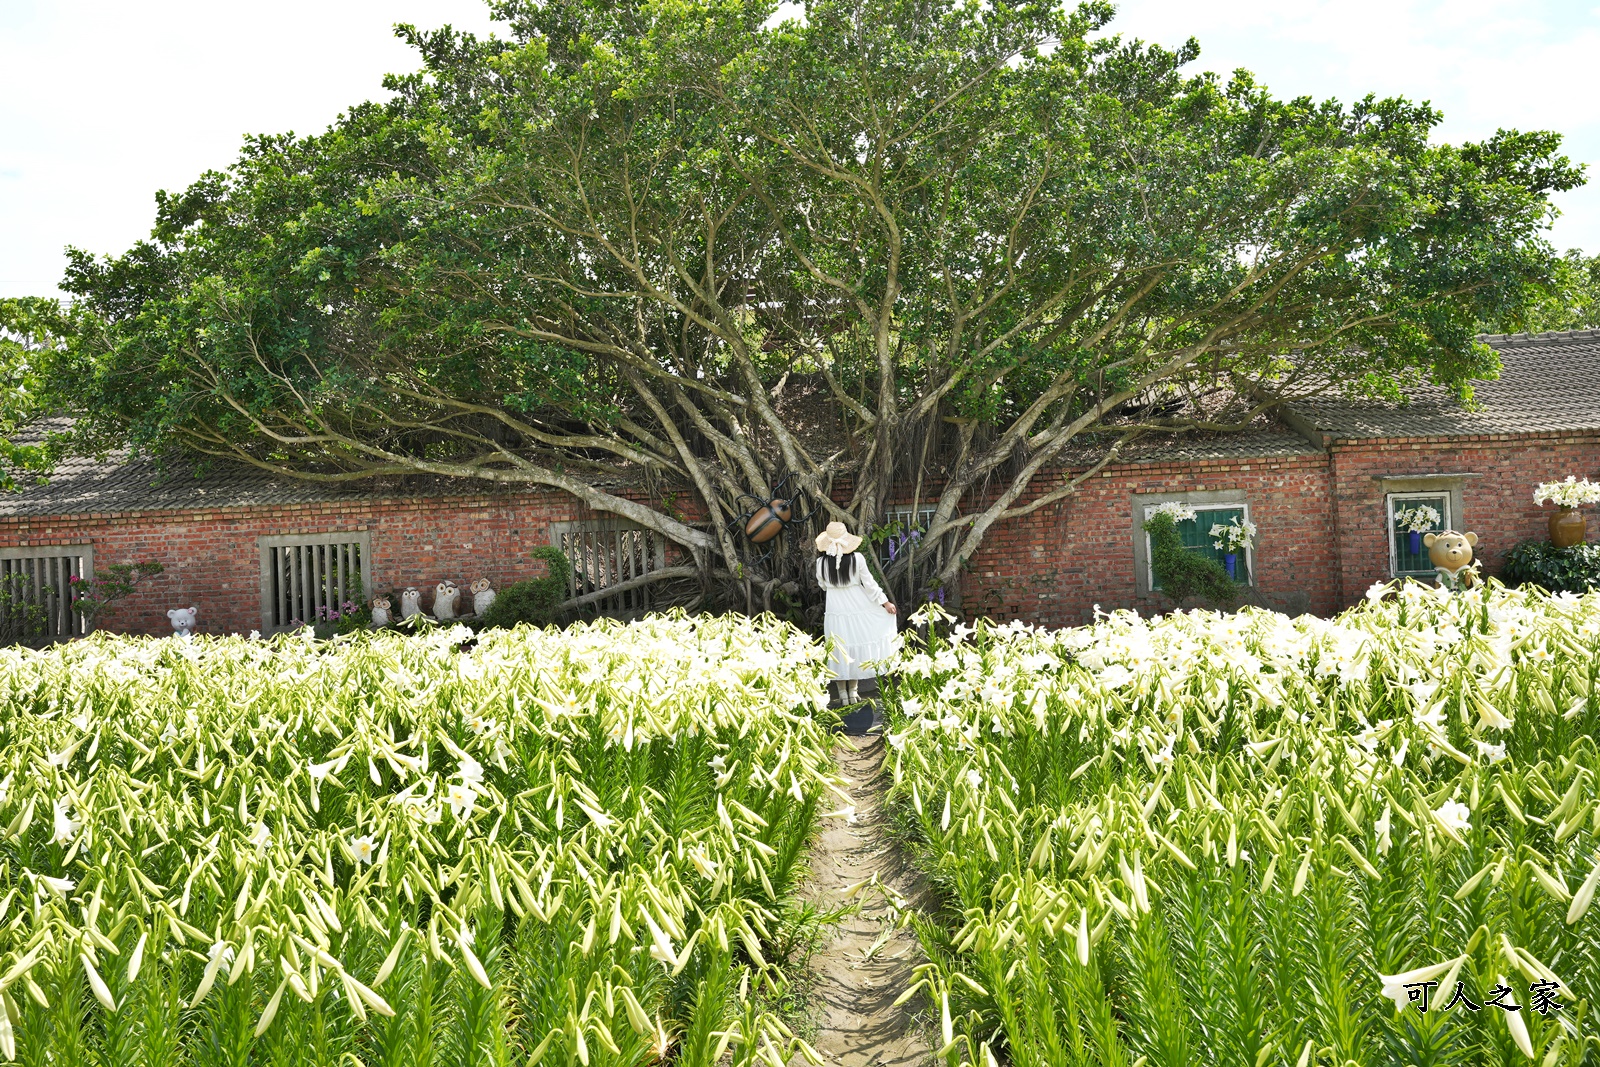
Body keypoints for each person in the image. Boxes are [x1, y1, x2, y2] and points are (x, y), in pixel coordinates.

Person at [814, 521, 897, 706]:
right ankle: (854, 692)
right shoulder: (857, 558)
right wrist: (885, 602)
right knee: (856, 645)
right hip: (857, 606)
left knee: (839, 649)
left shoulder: (820, 563)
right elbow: (869, 584)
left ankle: (843, 695)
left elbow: (823, 585)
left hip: (835, 609)